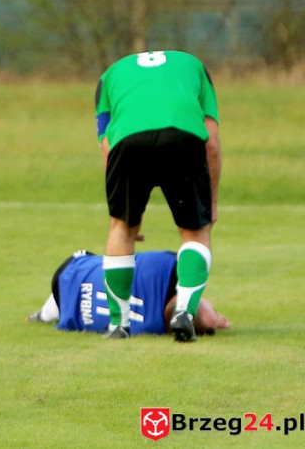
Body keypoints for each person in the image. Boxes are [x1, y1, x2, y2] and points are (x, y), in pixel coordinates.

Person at [94, 50, 222, 342]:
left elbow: (108, 148)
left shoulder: (109, 75)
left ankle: (118, 325)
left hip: (127, 141)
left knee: (121, 230)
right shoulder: (196, 67)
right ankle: (184, 314)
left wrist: (121, 214)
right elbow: (211, 142)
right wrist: (210, 203)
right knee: (195, 232)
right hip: (182, 137)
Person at [26, 250, 230, 336]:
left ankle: (44, 314)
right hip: (71, 287)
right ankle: (44, 314)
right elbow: (207, 320)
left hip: (75, 268)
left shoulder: (164, 265)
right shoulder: (150, 325)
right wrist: (212, 319)